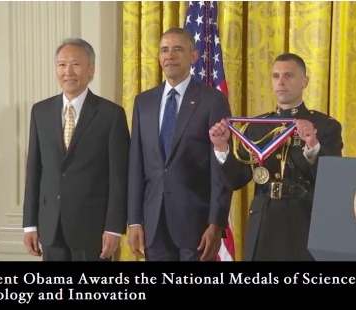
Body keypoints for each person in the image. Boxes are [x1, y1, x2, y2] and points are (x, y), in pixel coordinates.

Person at [209, 53, 343, 261]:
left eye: (288, 75)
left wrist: (312, 145)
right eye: (276, 76)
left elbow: (332, 180)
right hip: (265, 221)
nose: (280, 81)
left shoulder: (325, 126)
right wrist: (221, 148)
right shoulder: (256, 126)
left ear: (304, 82)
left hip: (303, 219)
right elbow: (236, 180)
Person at [127, 28, 233, 261]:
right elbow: (136, 164)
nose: (170, 55)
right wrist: (134, 220)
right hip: (154, 226)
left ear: (193, 56)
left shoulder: (212, 100)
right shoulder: (143, 102)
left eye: (177, 49)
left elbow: (220, 168)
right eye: (164, 50)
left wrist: (216, 222)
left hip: (197, 226)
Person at [22, 38, 130, 261]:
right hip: (50, 228)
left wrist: (113, 227)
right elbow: (34, 171)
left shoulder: (111, 115)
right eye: (62, 65)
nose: (68, 72)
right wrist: (29, 224)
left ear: (91, 69)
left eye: (76, 64)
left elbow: (119, 178)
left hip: (93, 231)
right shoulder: (40, 112)